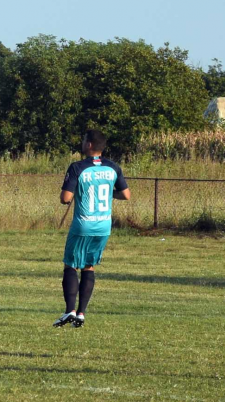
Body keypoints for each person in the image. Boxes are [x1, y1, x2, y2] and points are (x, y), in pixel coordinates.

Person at [53, 130, 130, 329]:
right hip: (103, 225)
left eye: (83, 140)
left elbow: (65, 198)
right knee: (89, 265)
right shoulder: (113, 167)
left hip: (83, 224)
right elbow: (126, 195)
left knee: (71, 264)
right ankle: (81, 313)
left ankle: (70, 309)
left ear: (89, 145)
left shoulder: (78, 167)